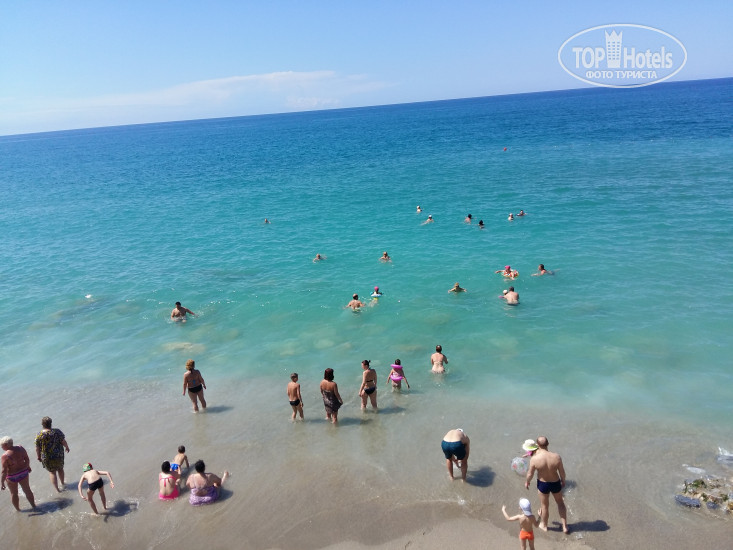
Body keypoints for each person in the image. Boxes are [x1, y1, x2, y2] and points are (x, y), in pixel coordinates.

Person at [525, 436, 569, 533]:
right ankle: (565, 527)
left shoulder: (534, 459)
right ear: (548, 444)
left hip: (543, 484)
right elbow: (562, 472)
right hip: (555, 482)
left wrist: (527, 482)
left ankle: (544, 525)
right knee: (560, 503)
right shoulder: (556, 457)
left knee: (544, 506)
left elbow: (530, 474)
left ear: (537, 445)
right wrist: (563, 480)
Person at [35, 416, 70, 492]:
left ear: (42, 424)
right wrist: (67, 447)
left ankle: (57, 489)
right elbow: (63, 441)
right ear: (51, 423)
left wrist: (38, 456)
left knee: (52, 472)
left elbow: (37, 447)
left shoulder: (39, 435)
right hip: (58, 455)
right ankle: (63, 484)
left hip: (47, 457)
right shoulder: (57, 431)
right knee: (60, 469)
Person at [1, 436, 35, 511]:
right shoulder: (20, 448)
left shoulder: (5, 456)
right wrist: (27, 466)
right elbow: (26, 458)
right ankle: (34, 506)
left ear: (6, 445)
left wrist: (2, 482)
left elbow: (4, 470)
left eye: (2, 445)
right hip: (23, 473)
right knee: (27, 490)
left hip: (12, 476)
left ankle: (18, 510)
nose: (1, 447)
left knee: (14, 493)